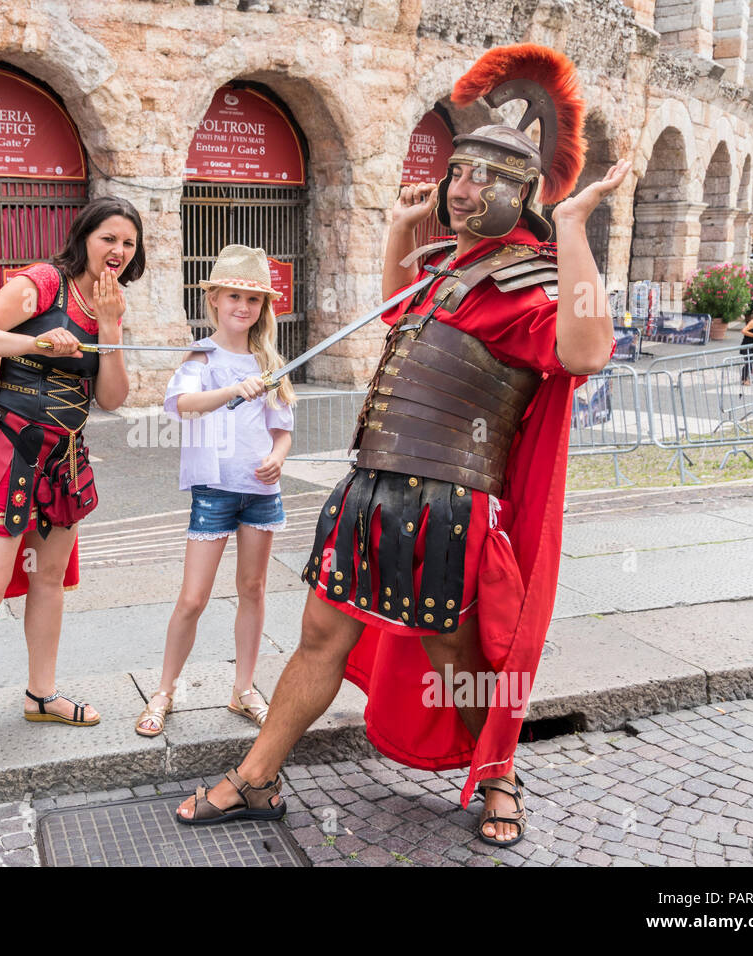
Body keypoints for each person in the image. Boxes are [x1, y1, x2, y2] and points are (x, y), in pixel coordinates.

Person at [175, 44, 623, 847]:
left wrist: (576, 225)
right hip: (368, 494)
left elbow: (587, 353)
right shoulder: (444, 274)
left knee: (463, 661)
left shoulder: (533, 283)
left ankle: (497, 777)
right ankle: (257, 778)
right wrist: (396, 232)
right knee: (319, 634)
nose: (462, 188)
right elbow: (396, 321)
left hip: (452, 507)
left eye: (485, 178)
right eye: (458, 173)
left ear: (523, 195)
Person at [0, 197, 145, 777]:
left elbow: (113, 399)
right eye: (108, 238)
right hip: (7, 452)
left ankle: (41, 694)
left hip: (66, 458)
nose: (118, 251)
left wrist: (112, 326)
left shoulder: (109, 303)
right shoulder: (42, 283)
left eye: (128, 242)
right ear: (84, 238)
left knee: (49, 580)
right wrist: (35, 343)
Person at [135, 245, 296, 738]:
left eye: (252, 298)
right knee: (193, 597)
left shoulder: (270, 361)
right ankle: (165, 690)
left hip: (260, 493)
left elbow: (283, 427)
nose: (243, 307)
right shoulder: (201, 356)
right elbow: (180, 405)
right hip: (214, 492)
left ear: (262, 307)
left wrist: (279, 456)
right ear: (215, 301)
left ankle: (243, 688)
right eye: (234, 296)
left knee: (253, 589)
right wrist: (232, 390)